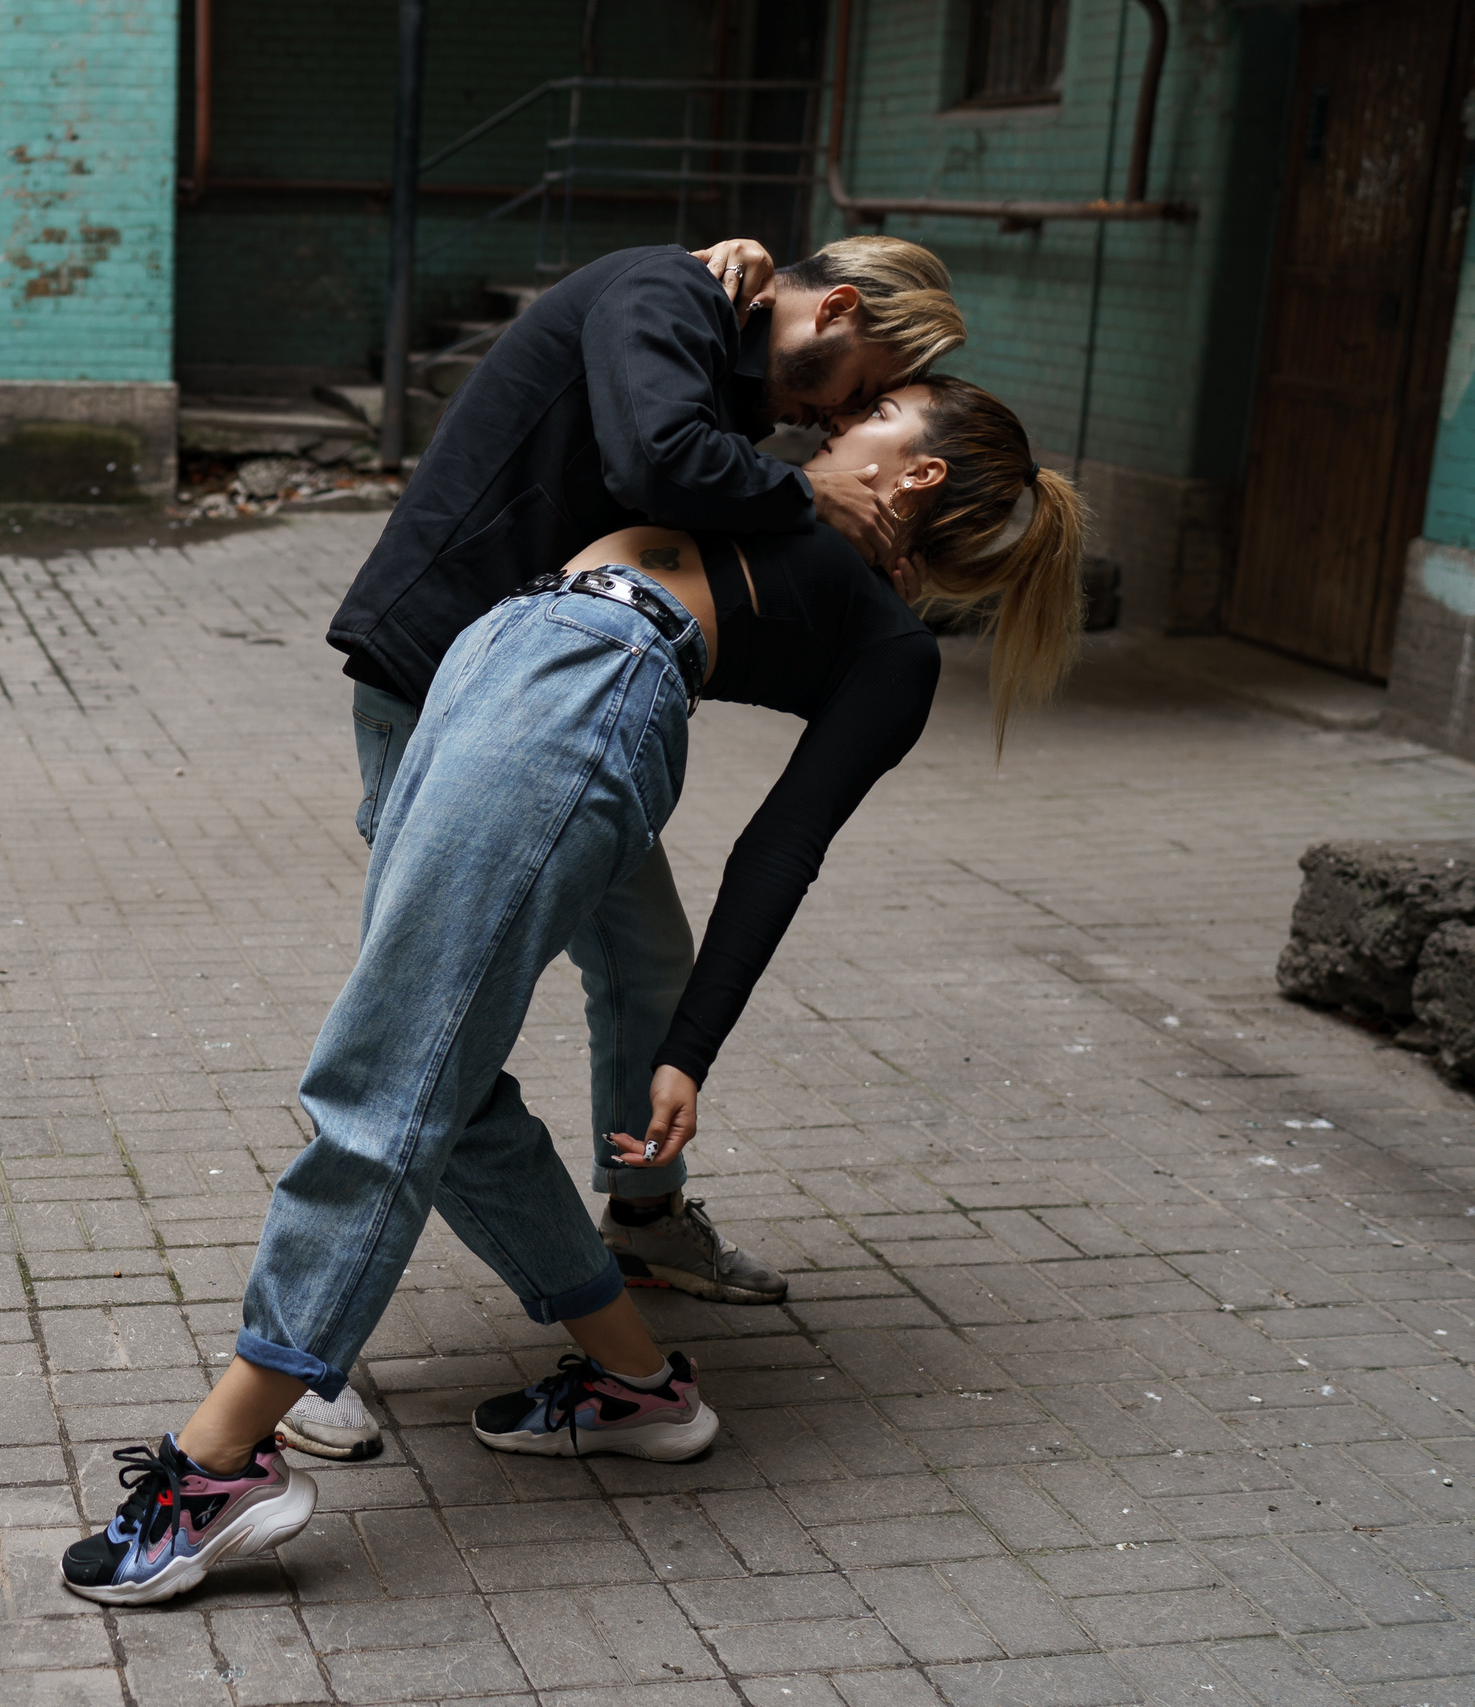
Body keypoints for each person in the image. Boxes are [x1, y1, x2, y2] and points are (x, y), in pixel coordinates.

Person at [60, 375, 1086, 1606]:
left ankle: (219, 1461)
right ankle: (637, 1387)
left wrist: (687, 1048)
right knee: (443, 1084)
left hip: (580, 698)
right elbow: (649, 376)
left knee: (382, 1085)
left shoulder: (889, 642)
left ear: (918, 471)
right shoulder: (749, 484)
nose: (839, 415)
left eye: (878, 412)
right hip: (501, 661)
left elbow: (782, 847)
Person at [278, 235, 967, 1464]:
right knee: (420, 1036)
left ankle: (644, 1219)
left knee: (644, 965)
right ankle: (313, 1356)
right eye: (859, 389)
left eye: (866, 417)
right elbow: (658, 461)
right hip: (448, 685)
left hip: (545, 718)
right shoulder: (669, 295)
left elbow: (710, 524)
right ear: (839, 308)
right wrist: (817, 496)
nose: (841, 423)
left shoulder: (728, 347)